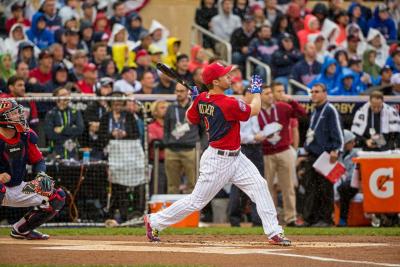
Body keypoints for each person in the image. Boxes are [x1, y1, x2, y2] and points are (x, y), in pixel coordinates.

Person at [144, 61, 291, 246]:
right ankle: (155, 220)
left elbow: (191, 116)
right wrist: (256, 91)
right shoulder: (227, 102)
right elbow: (255, 109)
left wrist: (196, 100)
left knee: (260, 186)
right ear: (215, 81)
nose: (230, 76)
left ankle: (274, 232)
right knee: (196, 202)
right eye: (225, 75)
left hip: (236, 156)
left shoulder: (205, 98)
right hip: (218, 160)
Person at [0, 99, 65, 240]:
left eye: (19, 112)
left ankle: (21, 230)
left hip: (18, 187)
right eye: (14, 114)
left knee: (57, 196)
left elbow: (39, 161)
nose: (20, 116)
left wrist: (41, 175)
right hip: (1, 188)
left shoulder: (25, 135)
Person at [258, 83, 306, 226]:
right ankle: (271, 219)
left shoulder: (283, 107)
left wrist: (291, 100)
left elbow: (302, 114)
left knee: (288, 186)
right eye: (267, 93)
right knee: (267, 188)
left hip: (284, 150)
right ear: (260, 96)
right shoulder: (256, 112)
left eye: (271, 93)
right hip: (266, 152)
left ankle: (290, 218)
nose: (271, 96)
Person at [301, 83, 343, 227]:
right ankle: (310, 219)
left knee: (325, 189)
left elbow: (338, 134)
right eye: (312, 91)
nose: (313, 94)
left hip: (326, 156)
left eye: (317, 91)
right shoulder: (315, 111)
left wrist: (336, 150)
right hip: (312, 155)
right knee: (311, 188)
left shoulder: (330, 110)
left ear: (325, 93)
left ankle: (326, 219)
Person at [228, 89, 262, 227]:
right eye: (250, 94)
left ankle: (257, 220)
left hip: (256, 149)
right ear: (244, 95)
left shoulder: (255, 109)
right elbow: (237, 135)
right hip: (243, 148)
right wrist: (254, 137)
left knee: (258, 183)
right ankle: (234, 219)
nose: (253, 96)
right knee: (237, 185)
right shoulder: (238, 108)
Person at [163, 83, 201, 194]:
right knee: (172, 185)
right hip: (172, 150)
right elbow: (166, 127)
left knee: (193, 184)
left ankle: (193, 211)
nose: (179, 93)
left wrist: (201, 146)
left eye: (182, 91)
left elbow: (202, 128)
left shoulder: (194, 107)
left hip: (190, 150)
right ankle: (172, 211)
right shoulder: (171, 108)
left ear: (188, 92)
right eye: (177, 91)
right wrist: (167, 143)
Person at [44, 87, 84, 160]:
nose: (66, 97)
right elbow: (50, 134)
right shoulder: (50, 114)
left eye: (67, 94)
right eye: (63, 95)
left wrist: (62, 129)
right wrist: (71, 130)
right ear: (56, 99)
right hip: (56, 151)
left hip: (73, 152)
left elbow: (80, 130)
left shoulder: (75, 112)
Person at [336, 130, 359, 227]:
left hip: (353, 182)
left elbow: (354, 173)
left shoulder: (357, 154)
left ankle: (342, 219)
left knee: (343, 188)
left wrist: (343, 175)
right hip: (338, 180)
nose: (354, 144)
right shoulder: (337, 154)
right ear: (345, 142)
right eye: (351, 142)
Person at [148, 100, 169, 194]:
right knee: (158, 189)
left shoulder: (172, 126)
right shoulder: (151, 127)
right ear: (155, 112)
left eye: (166, 107)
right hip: (157, 163)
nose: (166, 110)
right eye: (162, 107)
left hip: (173, 161)